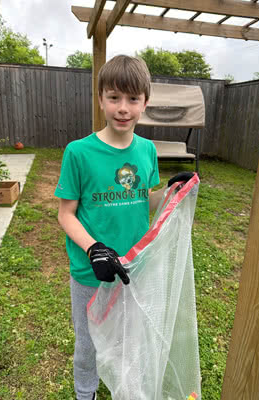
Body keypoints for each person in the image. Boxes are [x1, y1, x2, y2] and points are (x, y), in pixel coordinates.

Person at [55, 55, 194, 400]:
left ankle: (127, 392)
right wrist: (94, 248)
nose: (123, 108)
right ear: (100, 98)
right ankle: (84, 393)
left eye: (133, 99)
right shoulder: (79, 152)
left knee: (130, 340)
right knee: (88, 345)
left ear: (145, 102)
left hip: (134, 269)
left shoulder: (147, 150)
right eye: (114, 97)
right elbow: (66, 214)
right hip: (91, 272)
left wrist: (169, 193)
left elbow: (141, 200)